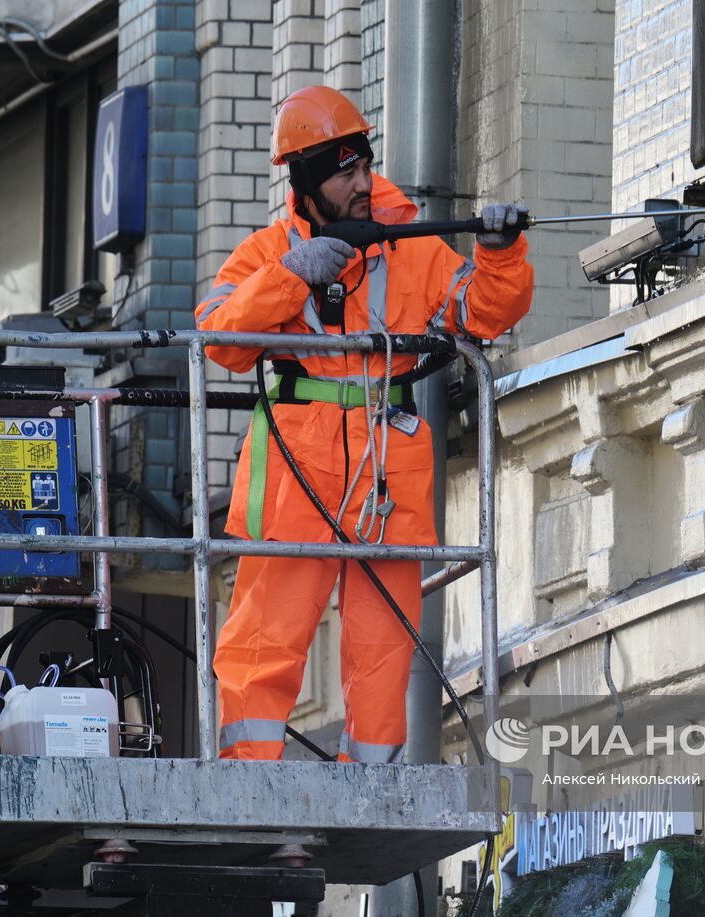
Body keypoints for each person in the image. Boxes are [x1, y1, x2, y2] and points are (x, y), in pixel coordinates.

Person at [196, 85, 533, 762]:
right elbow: (219, 338)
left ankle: (373, 787)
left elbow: (484, 311)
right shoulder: (268, 252)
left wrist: (500, 252)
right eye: (343, 172)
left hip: (387, 466)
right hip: (295, 468)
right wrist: (291, 275)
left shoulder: (411, 248)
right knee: (263, 641)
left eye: (364, 166)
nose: (360, 183)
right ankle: (244, 785)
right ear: (305, 182)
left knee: (384, 651)